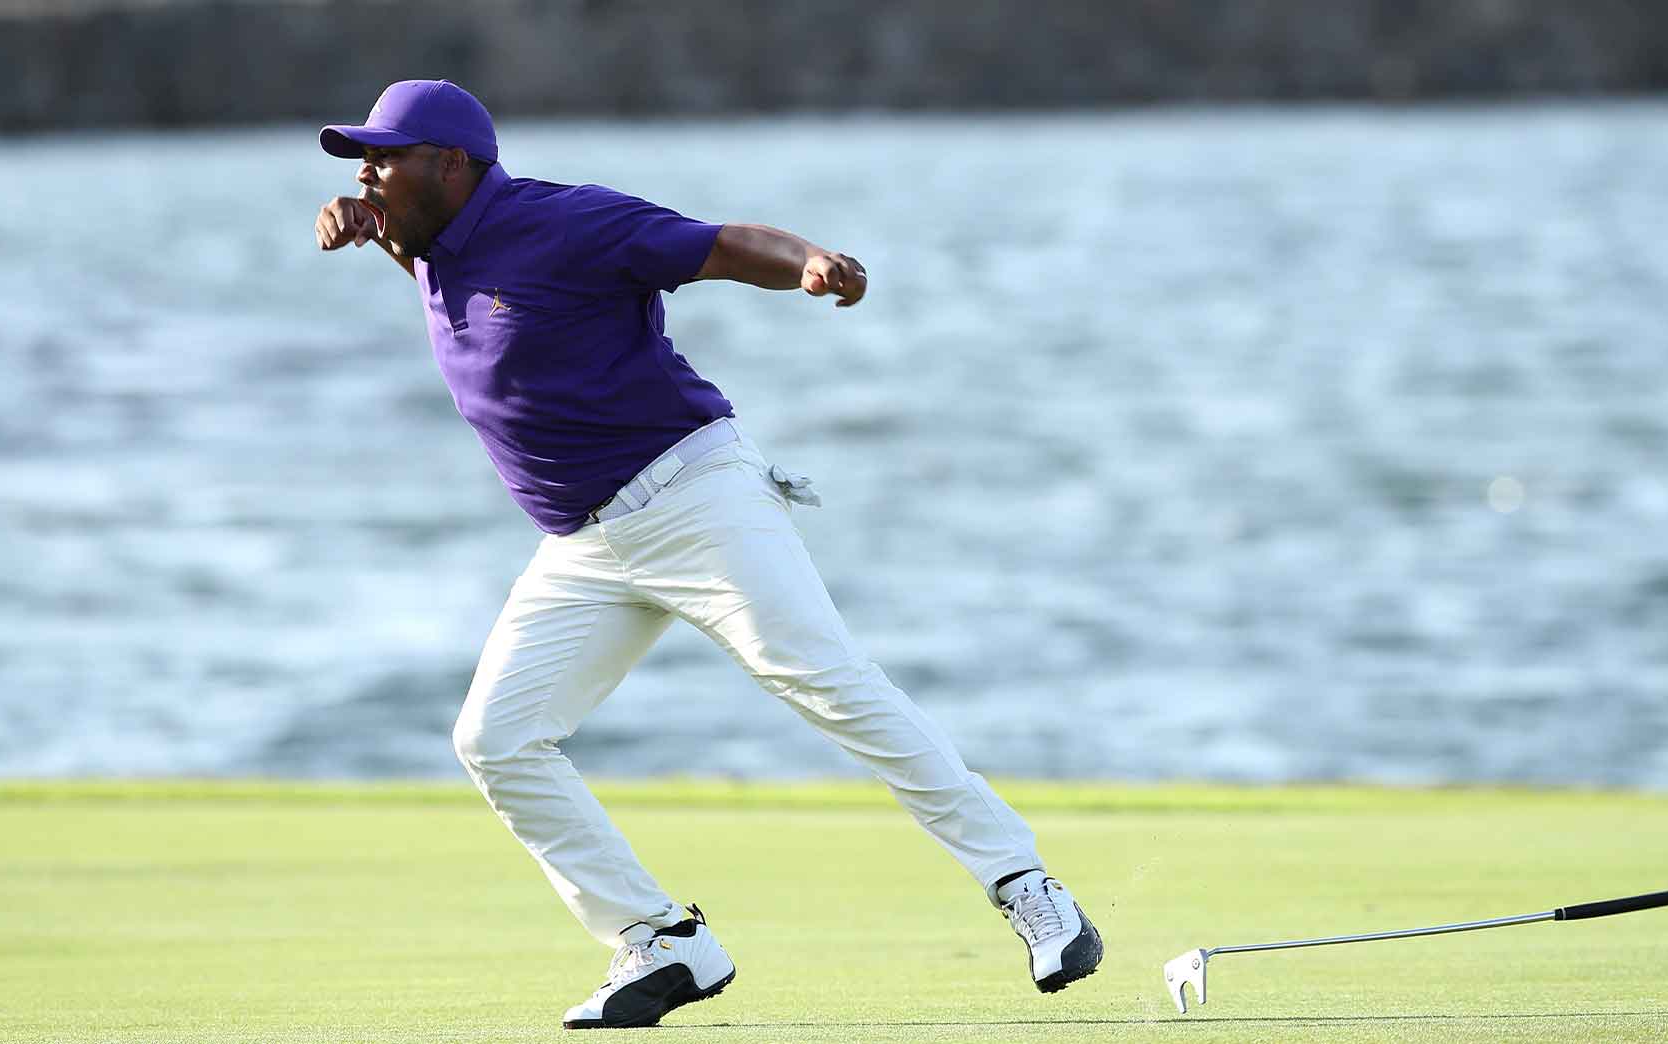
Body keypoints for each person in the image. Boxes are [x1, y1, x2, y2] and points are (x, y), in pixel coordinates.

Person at [315, 79, 1103, 1030]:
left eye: (386, 156)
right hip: (583, 545)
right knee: (496, 740)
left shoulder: (569, 223)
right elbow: (471, 296)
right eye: (362, 158)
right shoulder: (429, 245)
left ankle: (1027, 887)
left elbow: (720, 243)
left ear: (453, 164)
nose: (368, 170)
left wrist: (809, 260)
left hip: (691, 495)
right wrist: (378, 229)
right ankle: (664, 943)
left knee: (823, 679)